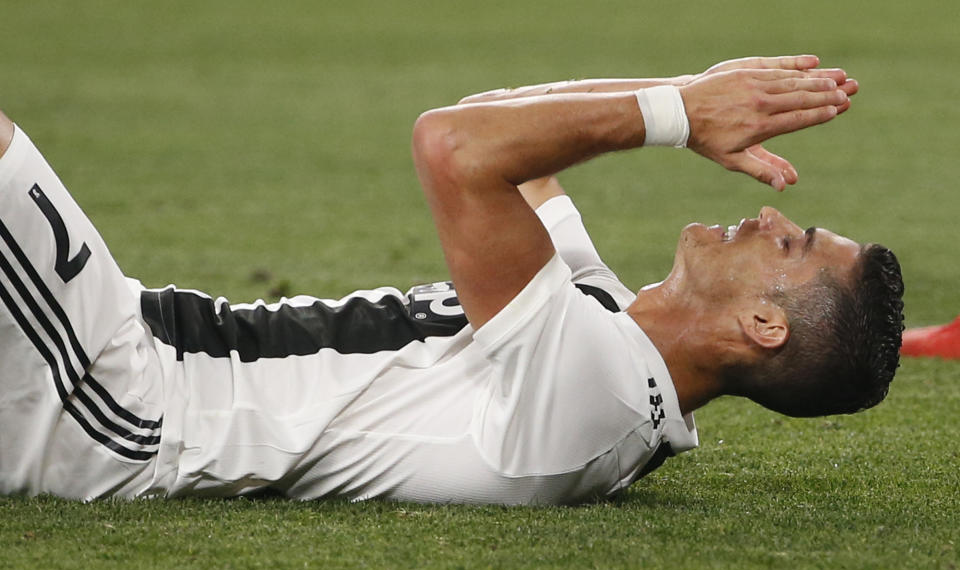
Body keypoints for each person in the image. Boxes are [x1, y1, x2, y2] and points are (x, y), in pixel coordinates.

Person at [0, 55, 903, 505]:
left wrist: (675, 115)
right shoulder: (608, 330)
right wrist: (688, 93)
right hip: (140, 351)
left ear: (762, 325)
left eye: (795, 247)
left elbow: (452, 147)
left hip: (128, 405)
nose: (776, 219)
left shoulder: (595, 405)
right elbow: (495, 119)